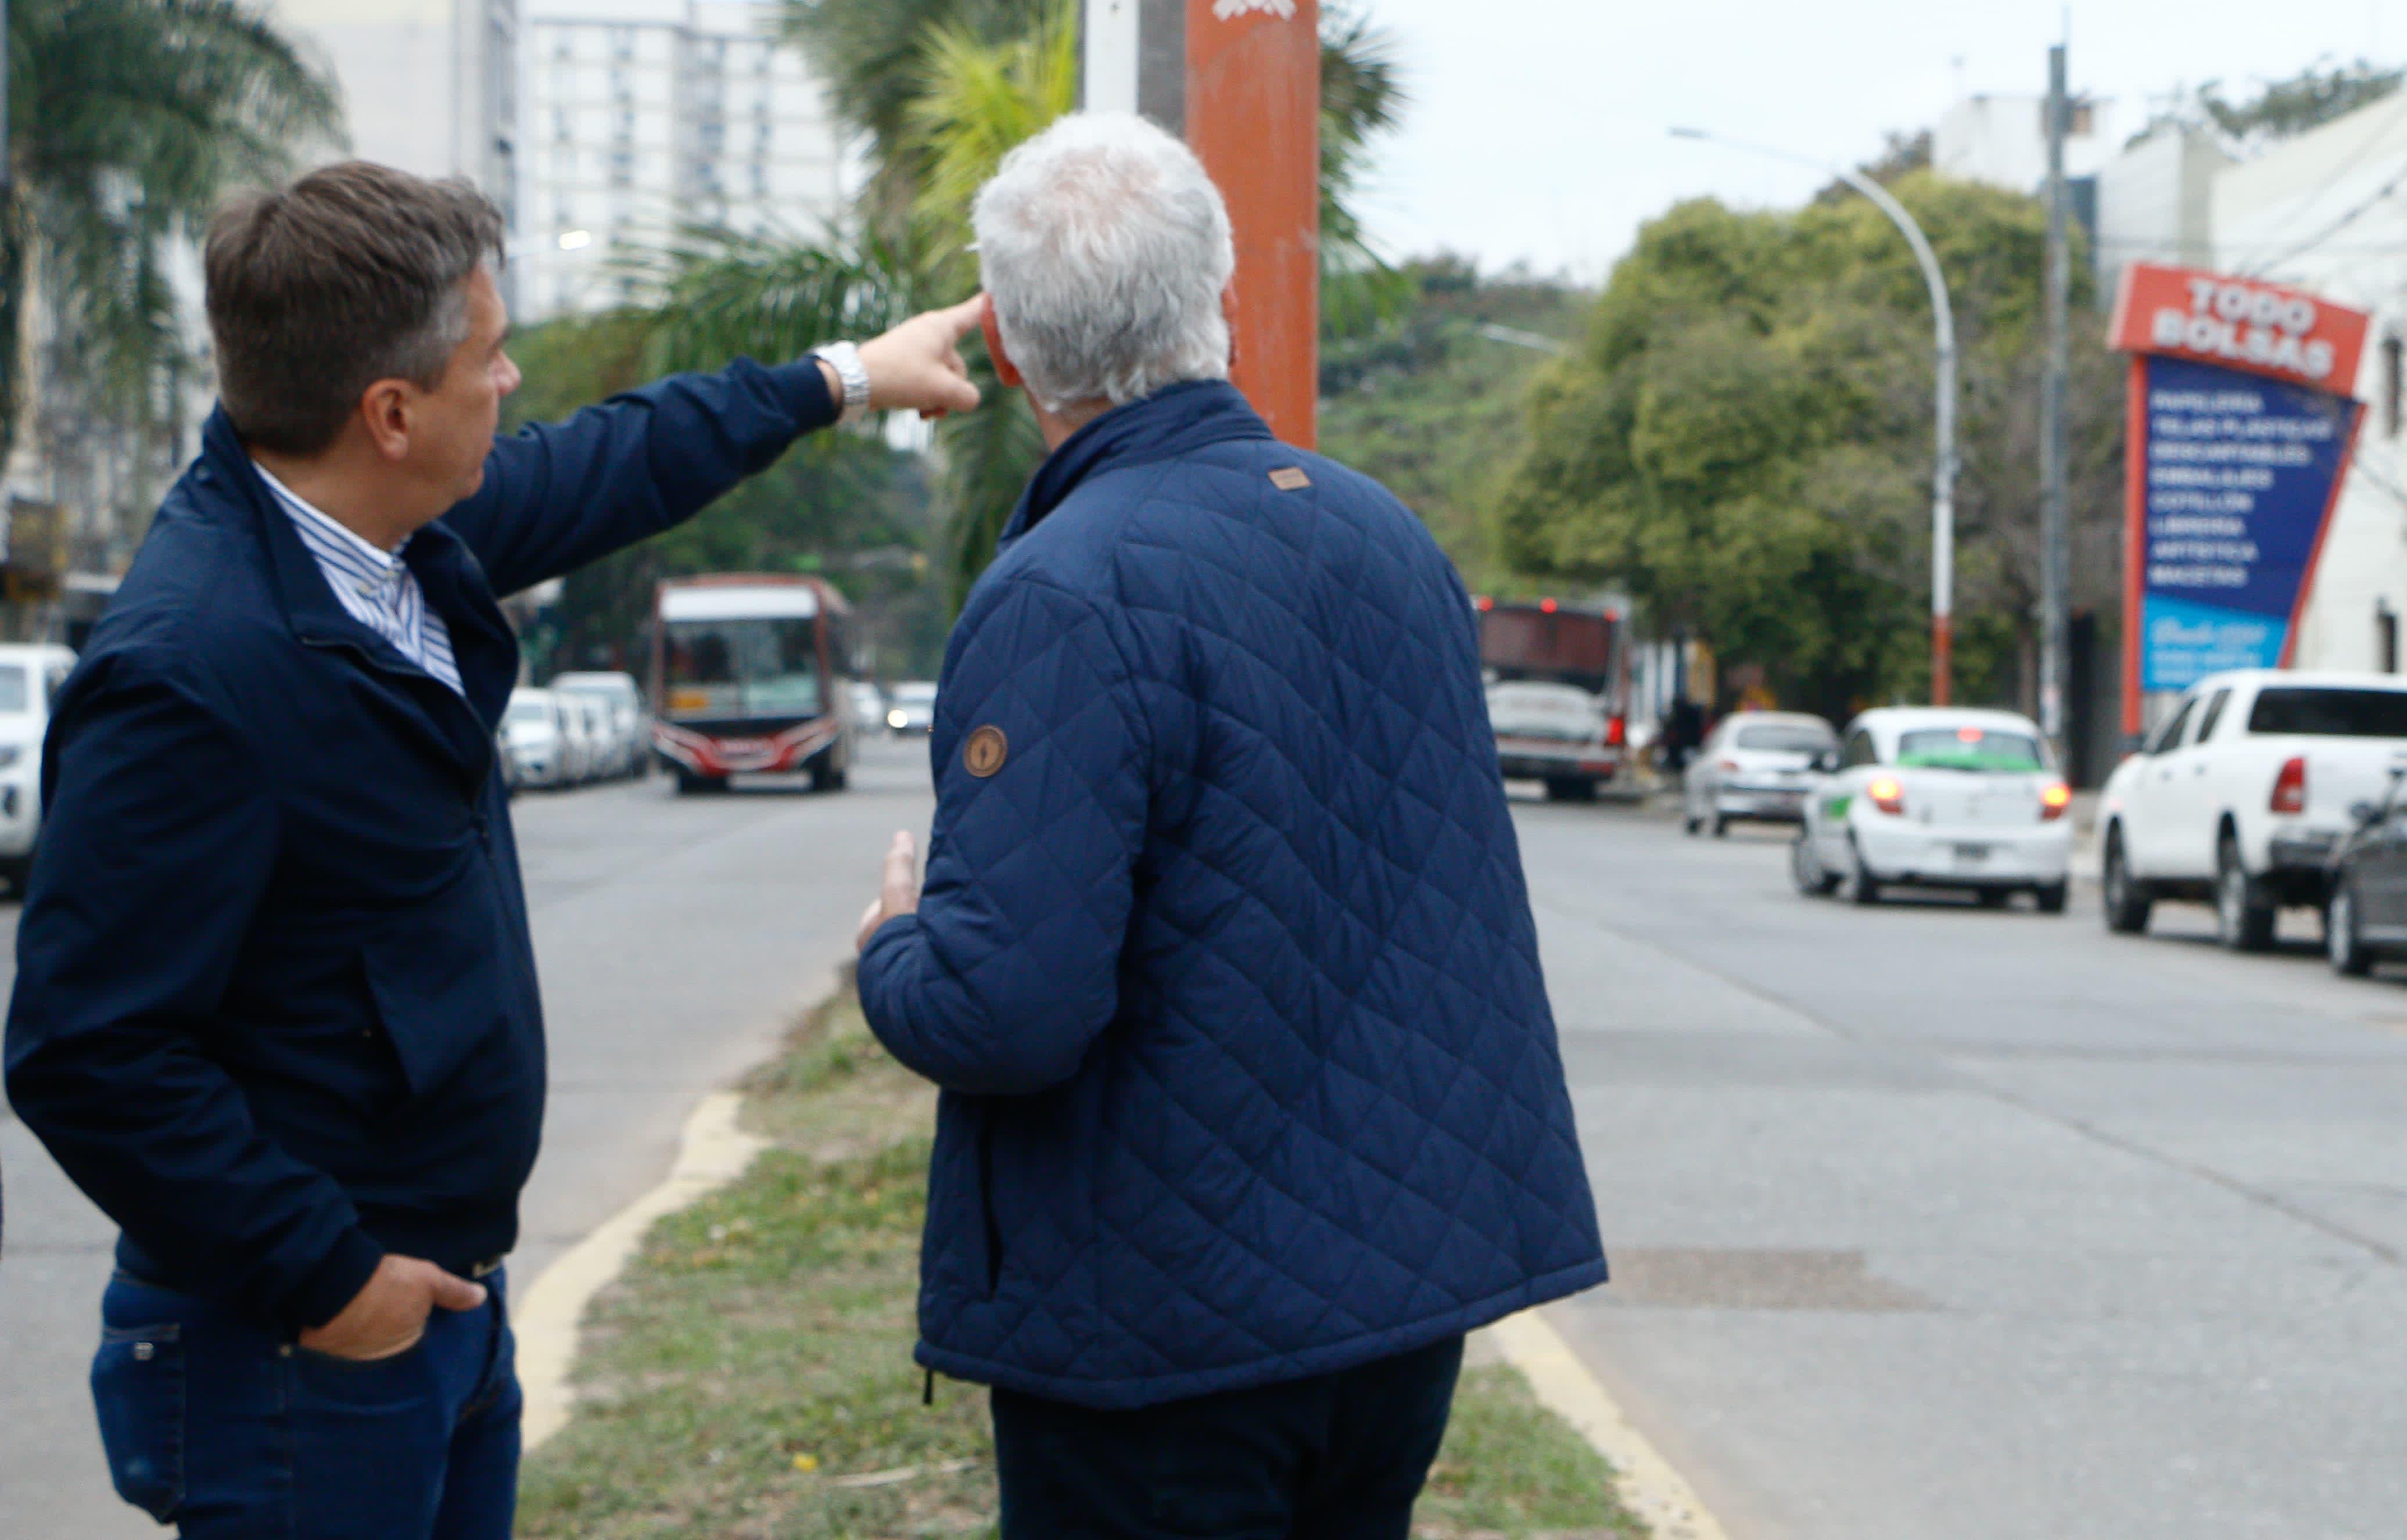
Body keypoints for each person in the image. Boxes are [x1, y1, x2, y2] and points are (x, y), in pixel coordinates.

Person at [2, 160, 982, 1539]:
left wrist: (844, 378)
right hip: (303, 1350)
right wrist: (331, 1280)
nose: (513, 380)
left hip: (442, 1299)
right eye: (490, 353)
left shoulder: (390, 537)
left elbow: (612, 462)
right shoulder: (194, 670)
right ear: (390, 411)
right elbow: (85, 1049)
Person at [854, 114, 1606, 1539]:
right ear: (1225, 305)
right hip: (1392, 1312)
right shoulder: (1384, 533)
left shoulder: (1061, 591)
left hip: (1165, 1337)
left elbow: (1007, 1010)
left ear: (1005, 348)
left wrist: (894, 952)